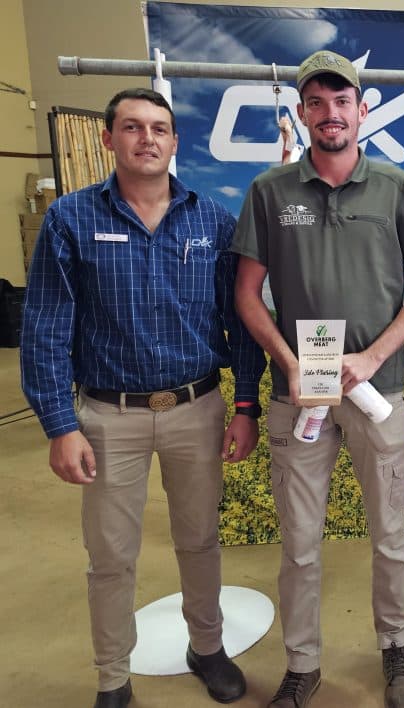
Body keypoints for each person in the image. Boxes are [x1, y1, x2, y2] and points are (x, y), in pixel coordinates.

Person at [20, 88, 266, 708]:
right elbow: (46, 327)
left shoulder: (212, 222)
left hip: (196, 409)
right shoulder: (70, 219)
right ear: (109, 139)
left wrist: (245, 406)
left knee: (199, 540)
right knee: (110, 556)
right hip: (109, 416)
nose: (147, 138)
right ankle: (112, 677)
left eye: (159, 128)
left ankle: (206, 647)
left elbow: (240, 322)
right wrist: (59, 425)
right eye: (132, 127)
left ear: (175, 141)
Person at [232, 50, 404, 708]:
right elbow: (246, 295)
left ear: (362, 109)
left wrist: (373, 357)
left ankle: (396, 648)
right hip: (297, 396)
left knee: (390, 536)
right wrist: (290, 363)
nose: (331, 114)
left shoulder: (396, 188)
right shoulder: (270, 192)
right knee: (299, 543)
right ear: (302, 112)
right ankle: (302, 664)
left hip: (380, 393)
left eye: (342, 101)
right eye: (317, 103)